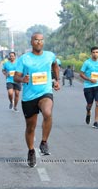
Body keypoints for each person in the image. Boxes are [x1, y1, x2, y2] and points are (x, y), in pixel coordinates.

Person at [14, 32, 60, 167]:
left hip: (45, 92)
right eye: (36, 40)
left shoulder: (50, 55)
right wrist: (23, 79)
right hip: (29, 97)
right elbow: (16, 77)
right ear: (31, 42)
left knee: (47, 113)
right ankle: (31, 151)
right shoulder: (24, 59)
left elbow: (55, 65)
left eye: (41, 40)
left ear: (43, 42)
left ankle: (44, 142)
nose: (39, 42)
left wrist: (56, 80)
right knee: (30, 127)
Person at [80, 46, 98, 129]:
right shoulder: (87, 63)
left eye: (96, 52)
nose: (95, 54)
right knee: (89, 104)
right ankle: (88, 112)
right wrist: (89, 79)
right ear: (91, 53)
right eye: (93, 52)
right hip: (88, 86)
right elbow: (81, 74)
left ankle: (96, 122)